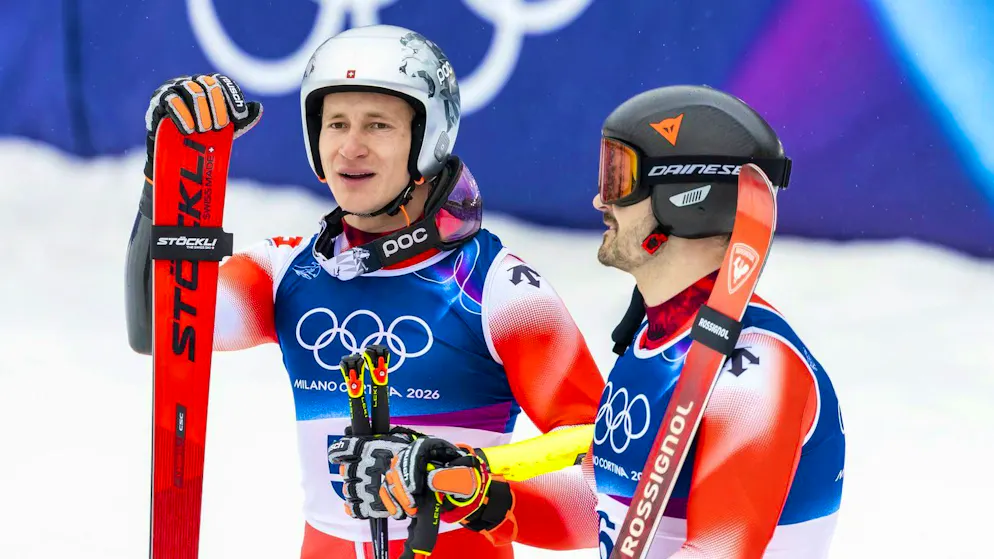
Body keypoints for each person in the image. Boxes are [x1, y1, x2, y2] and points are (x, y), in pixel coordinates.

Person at [124, 24, 605, 559]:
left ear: (428, 141)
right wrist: (165, 174)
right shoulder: (287, 271)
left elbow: (608, 491)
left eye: (378, 125)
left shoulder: (497, 289)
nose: (350, 148)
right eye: (335, 124)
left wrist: (473, 490)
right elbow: (160, 326)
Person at [588, 85, 845, 558]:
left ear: (687, 196)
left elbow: (717, 550)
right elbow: (596, 513)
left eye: (618, 179)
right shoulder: (652, 342)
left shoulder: (758, 369)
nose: (600, 202)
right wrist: (473, 490)